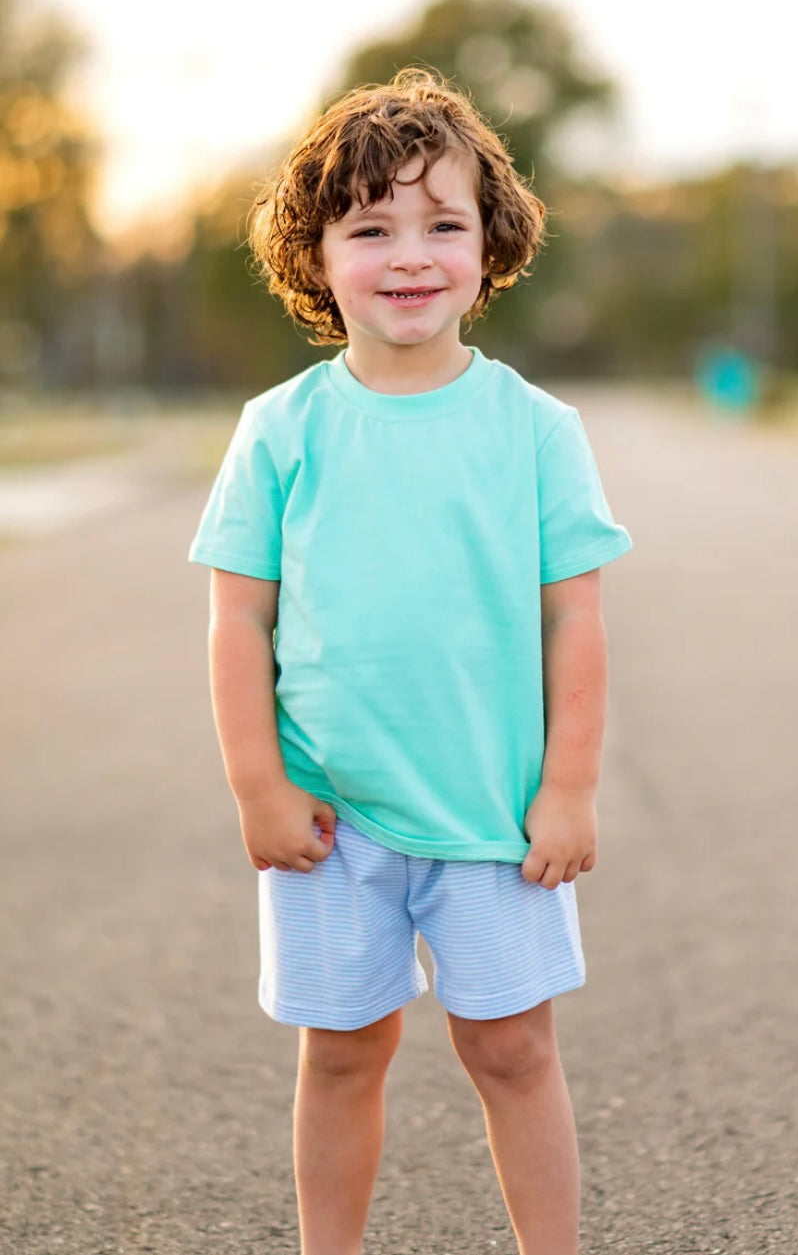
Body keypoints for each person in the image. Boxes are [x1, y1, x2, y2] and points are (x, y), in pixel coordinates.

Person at [188, 67, 632, 1255]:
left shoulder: (535, 429)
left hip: (490, 812)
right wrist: (258, 787)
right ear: (314, 253)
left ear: (490, 243)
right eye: (370, 225)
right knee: (341, 1051)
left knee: (512, 1047)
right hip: (330, 815)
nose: (409, 253)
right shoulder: (280, 430)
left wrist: (569, 785)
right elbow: (239, 622)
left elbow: (571, 621)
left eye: (443, 222)